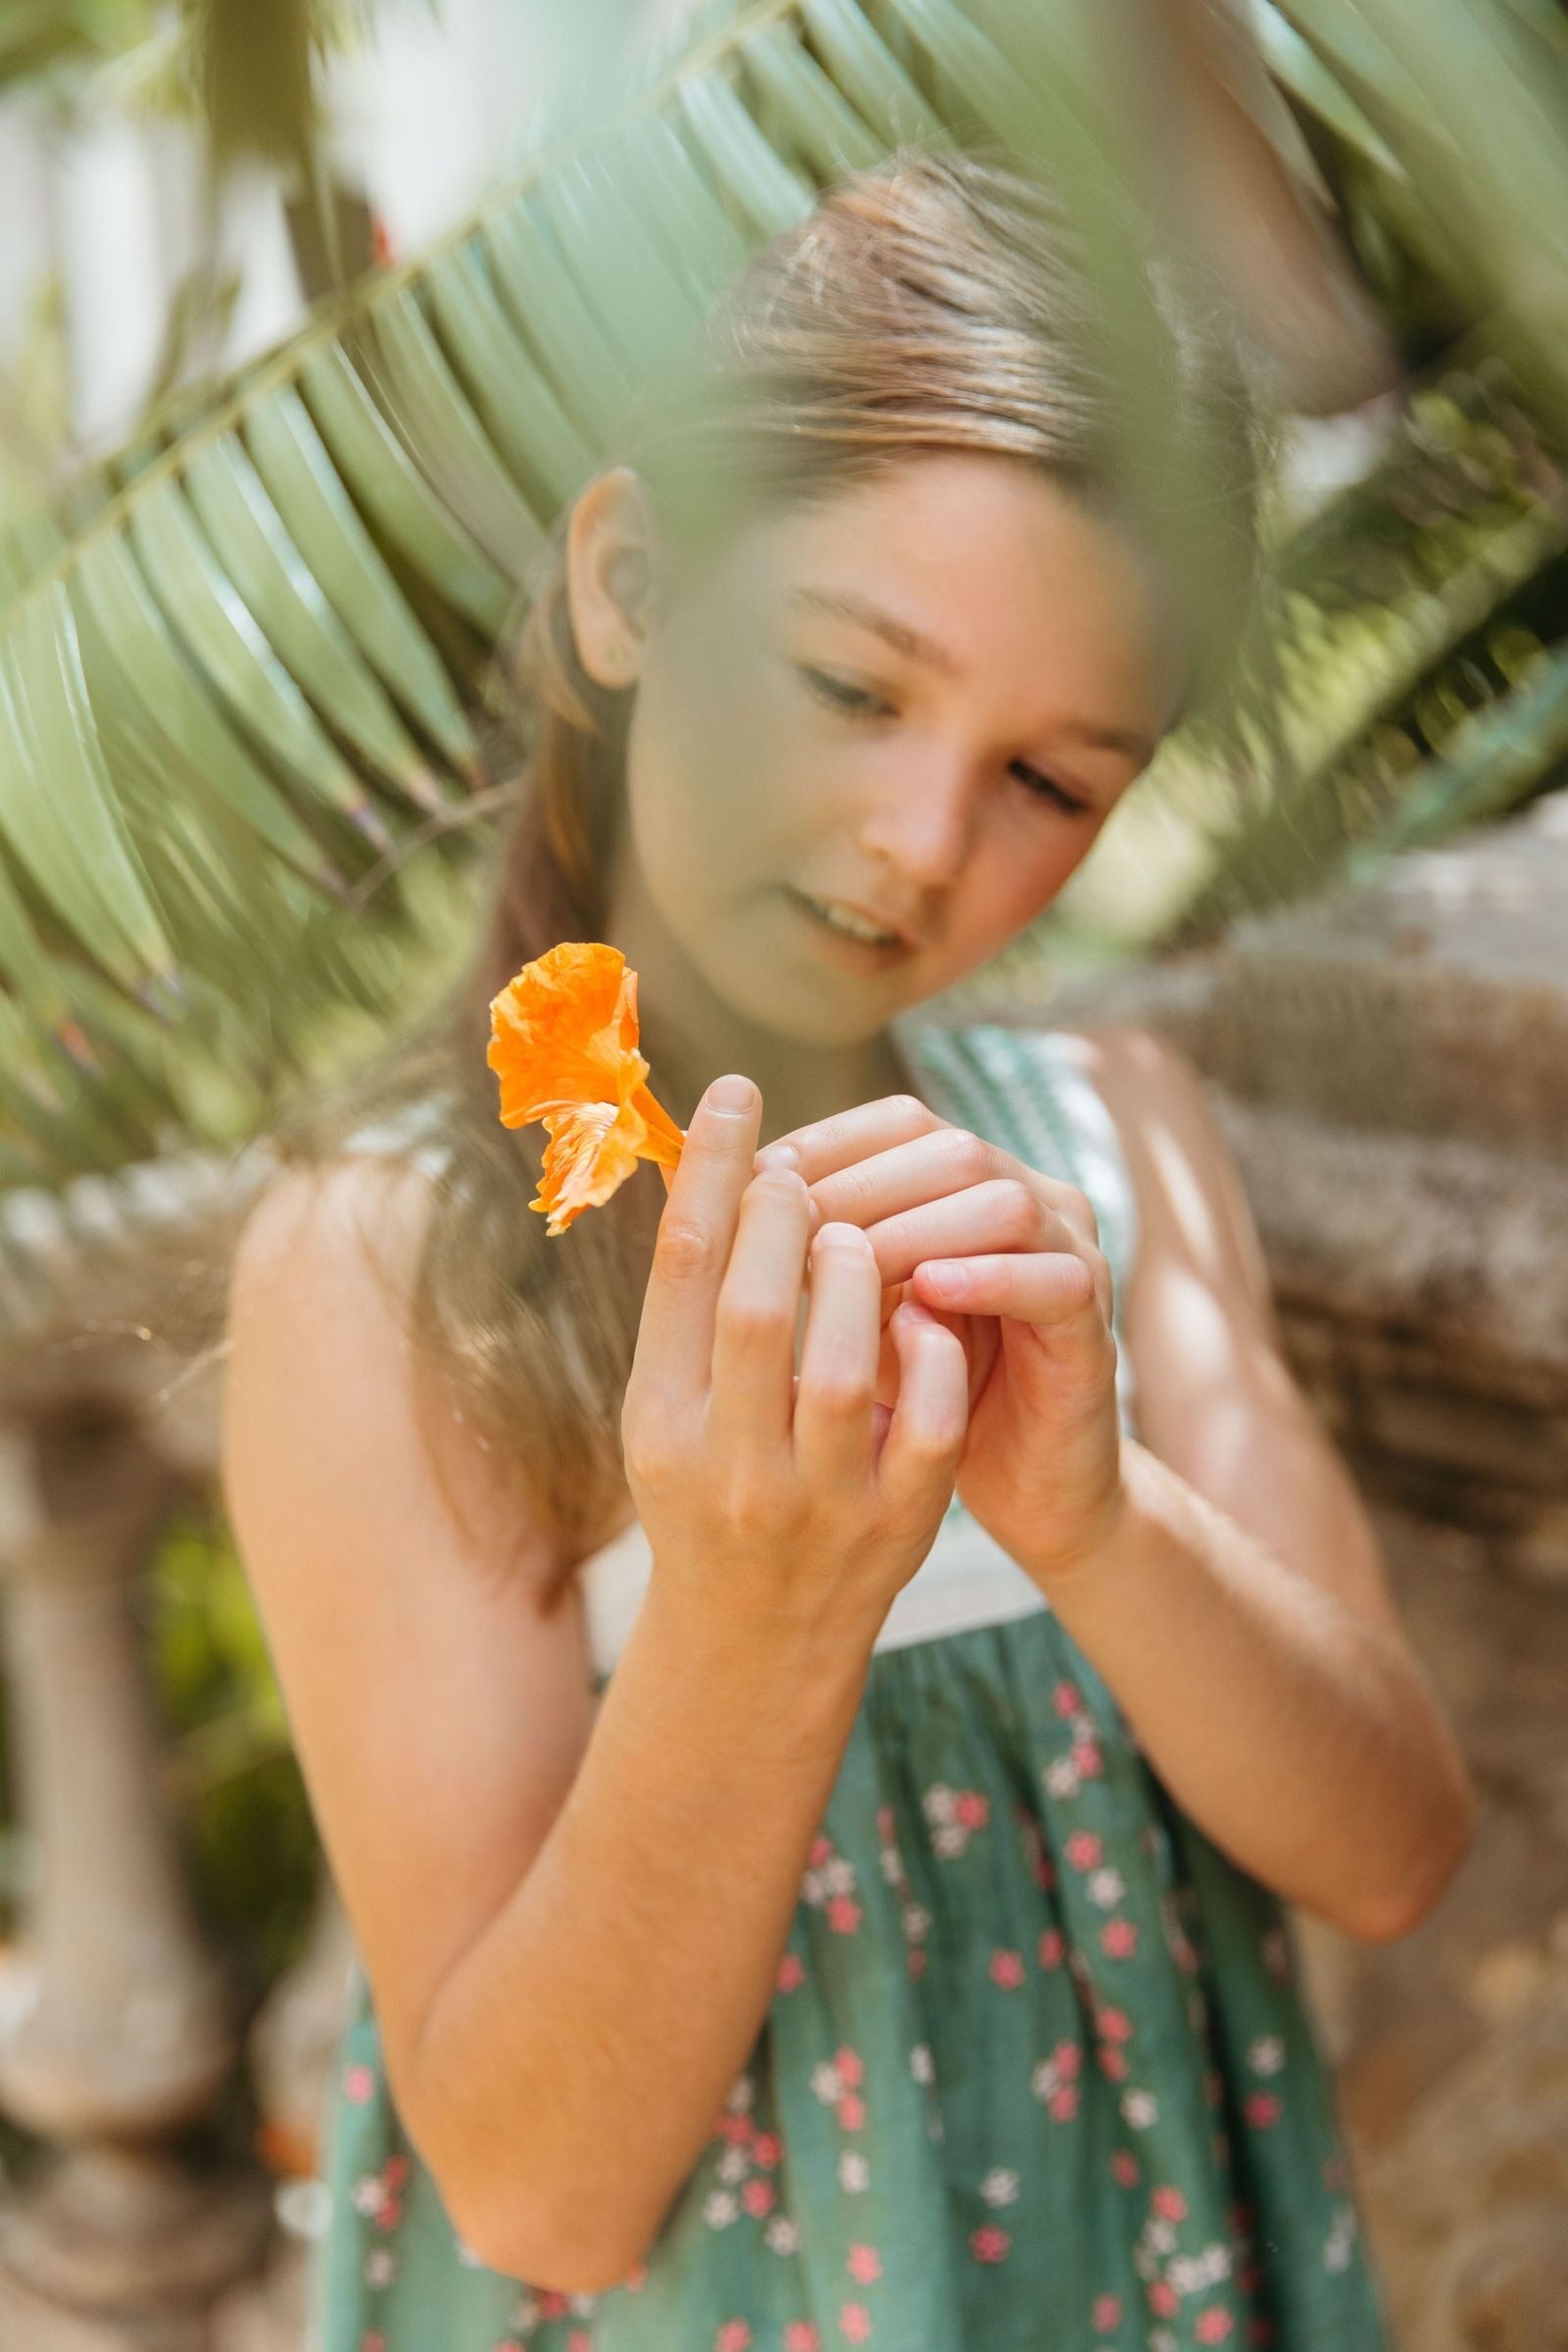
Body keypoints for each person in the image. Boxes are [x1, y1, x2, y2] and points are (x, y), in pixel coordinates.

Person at [220, 151, 1474, 2351]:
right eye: (846, 684)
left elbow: (1385, 1852)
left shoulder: (1112, 1147)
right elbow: (536, 2185)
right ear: (627, 582)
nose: (917, 844)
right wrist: (738, 1609)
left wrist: (1093, 1520)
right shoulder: (383, 1268)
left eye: (1049, 781)